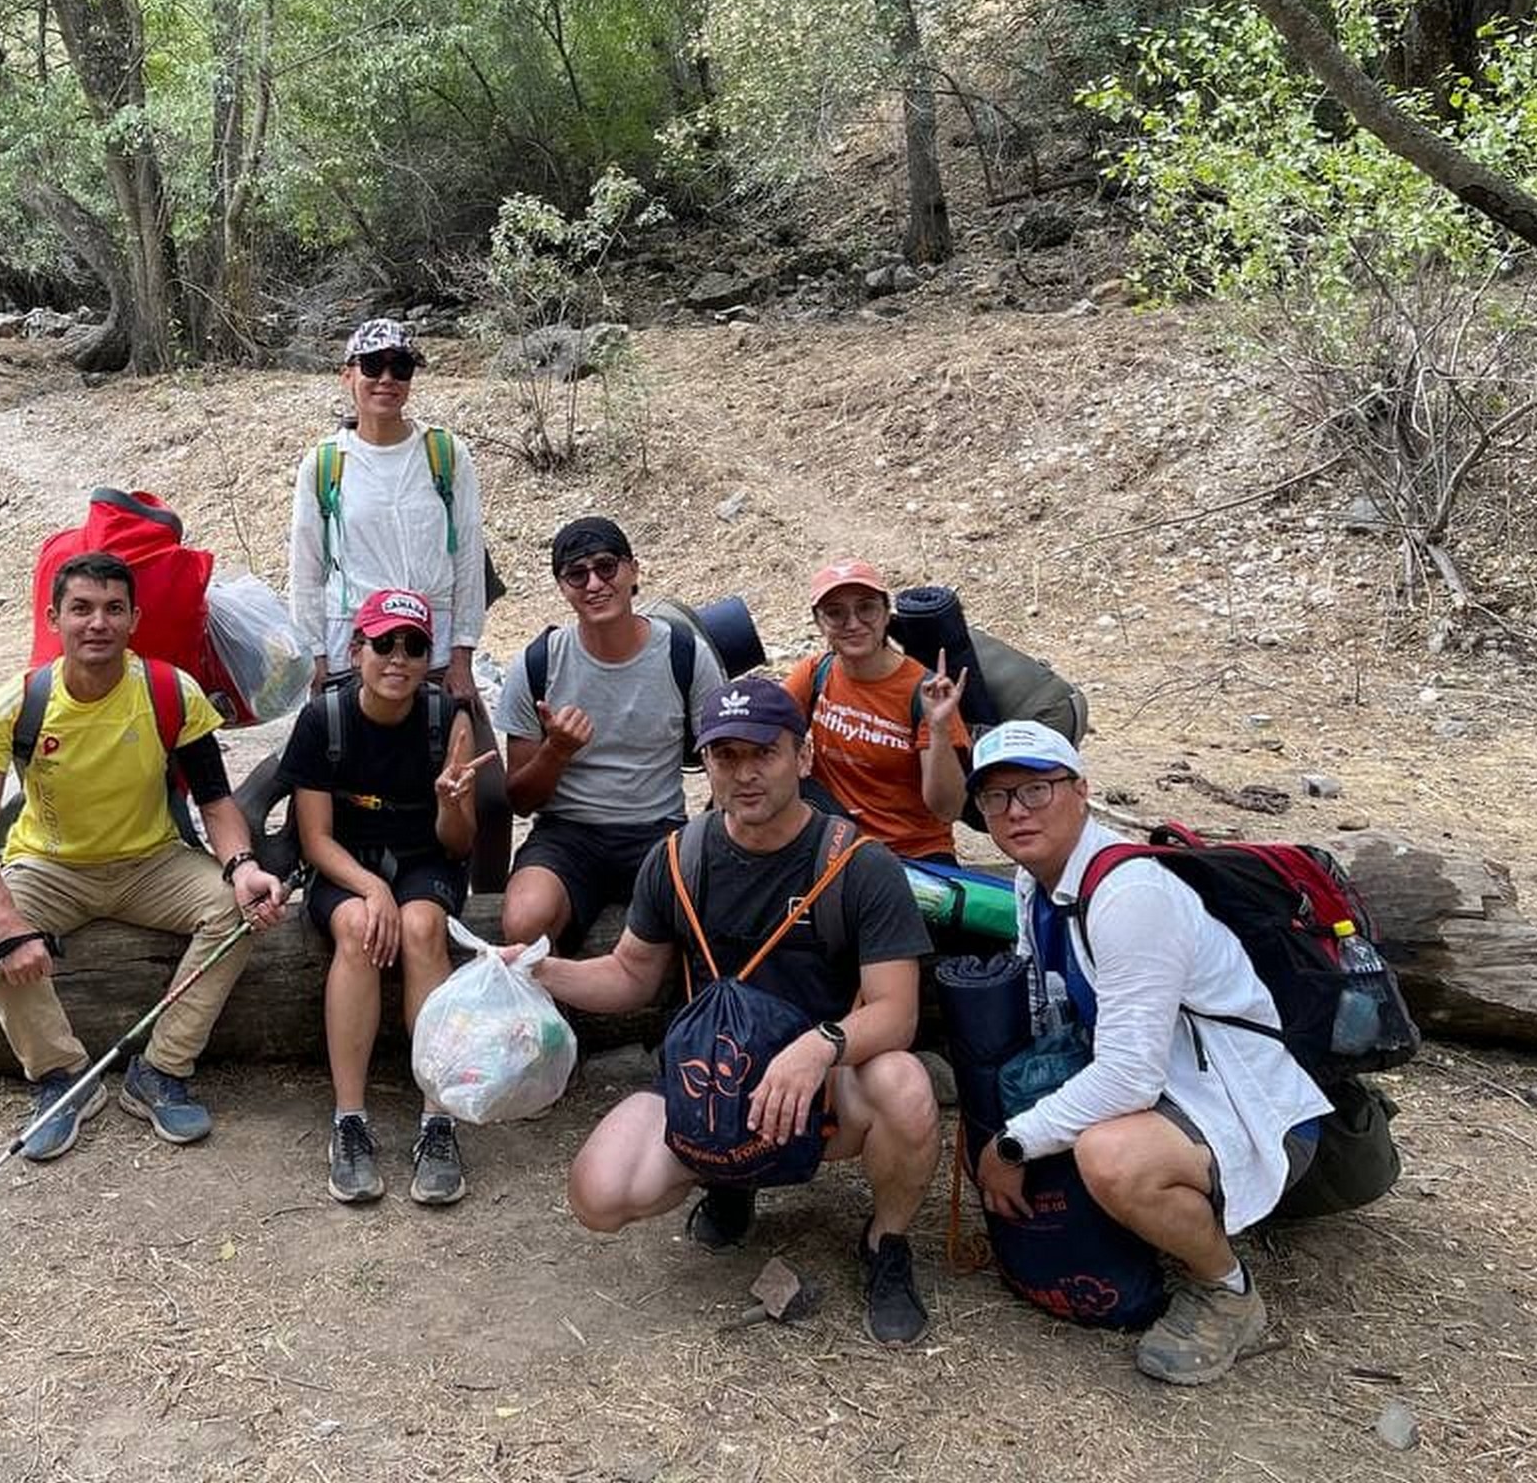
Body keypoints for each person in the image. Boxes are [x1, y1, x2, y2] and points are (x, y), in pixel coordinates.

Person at [520, 676, 944, 1343]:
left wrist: (819, 1046)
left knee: (905, 1086)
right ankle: (729, 1175)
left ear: (802, 759)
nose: (745, 775)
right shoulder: (679, 857)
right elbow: (631, 975)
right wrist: (540, 971)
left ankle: (885, 1244)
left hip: (824, 1090)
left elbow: (896, 1013)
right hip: (711, 1081)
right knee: (598, 1196)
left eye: (763, 753)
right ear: (707, 765)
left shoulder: (859, 866)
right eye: (725, 757)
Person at [967, 720, 1333, 1386]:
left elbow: (1130, 1076)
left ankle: (1227, 1291)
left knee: (1109, 1158)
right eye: (996, 798)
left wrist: (1012, 1144)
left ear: (1081, 790)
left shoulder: (1129, 897)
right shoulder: (1036, 884)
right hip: (1165, 1086)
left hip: (1239, 1106)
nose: (1016, 811)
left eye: (1037, 790)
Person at [0, 551, 289, 1158]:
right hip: (50, 866)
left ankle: (161, 1069)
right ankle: (62, 1078)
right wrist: (7, 923)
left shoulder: (168, 691)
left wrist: (241, 867)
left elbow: (214, 800)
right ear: (54, 618)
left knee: (236, 912)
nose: (97, 623)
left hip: (152, 861)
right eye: (81, 609)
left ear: (135, 618)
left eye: (112, 609)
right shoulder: (18, 702)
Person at [272, 588, 491, 1206]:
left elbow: (459, 840)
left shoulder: (448, 720)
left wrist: (451, 802)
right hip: (347, 863)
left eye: (415, 645)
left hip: (426, 859)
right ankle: (349, 1120)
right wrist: (371, 889)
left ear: (430, 657)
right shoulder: (325, 719)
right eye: (384, 643)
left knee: (423, 928)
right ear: (356, 648)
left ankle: (438, 1120)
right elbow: (314, 838)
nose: (398, 657)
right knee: (359, 930)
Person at [496, 516, 726, 948]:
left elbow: (725, 758)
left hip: (658, 829)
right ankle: (546, 1014)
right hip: (567, 833)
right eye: (576, 575)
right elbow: (521, 801)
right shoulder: (539, 662)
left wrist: (712, 836)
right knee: (524, 921)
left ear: (633, 570)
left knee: (709, 914)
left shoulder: (684, 654)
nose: (594, 584)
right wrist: (557, 751)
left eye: (607, 567)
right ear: (562, 588)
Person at [286, 317, 489, 717]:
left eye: (401, 367)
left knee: (472, 775)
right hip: (356, 647)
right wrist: (315, 653)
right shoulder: (325, 464)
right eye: (373, 365)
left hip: (432, 646)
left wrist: (462, 653)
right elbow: (306, 567)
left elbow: (467, 556)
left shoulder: (445, 454)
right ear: (347, 375)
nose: (387, 379)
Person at [782, 559, 969, 863]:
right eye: (835, 613)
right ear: (819, 623)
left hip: (912, 851)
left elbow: (948, 809)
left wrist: (937, 728)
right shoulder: (815, 674)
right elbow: (765, 732)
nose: (853, 623)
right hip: (835, 845)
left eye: (866, 608)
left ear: (885, 615)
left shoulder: (924, 691)